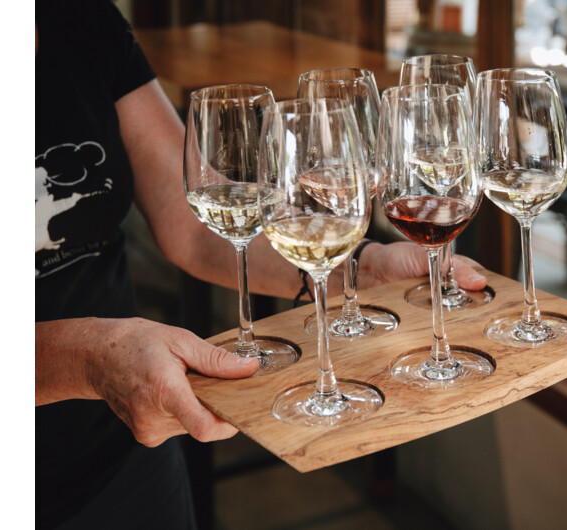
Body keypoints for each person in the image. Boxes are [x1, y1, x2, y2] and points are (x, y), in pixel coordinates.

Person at [35, 1, 488, 528]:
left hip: (128, 441)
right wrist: (86, 360)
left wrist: (363, 269)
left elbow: (196, 224)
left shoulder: (83, 20)